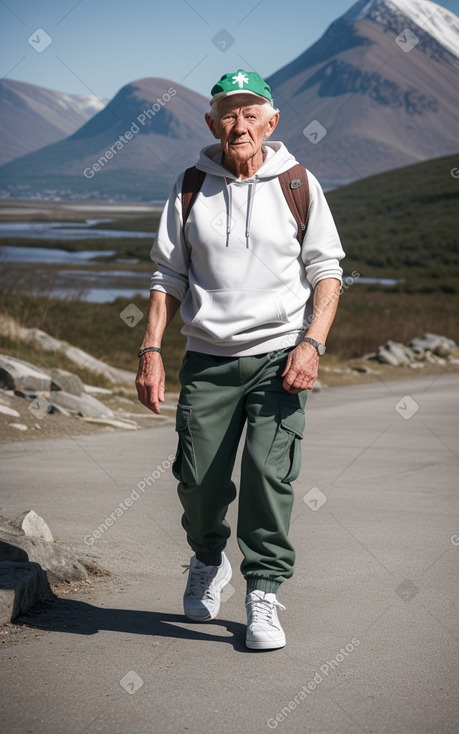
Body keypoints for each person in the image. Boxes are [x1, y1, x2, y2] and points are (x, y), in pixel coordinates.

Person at [136, 69, 345, 650]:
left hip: (280, 357)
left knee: (268, 476)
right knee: (197, 479)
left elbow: (327, 272)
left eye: (252, 113)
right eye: (229, 113)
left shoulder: (299, 183)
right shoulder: (189, 185)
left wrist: (312, 343)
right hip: (206, 358)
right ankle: (209, 559)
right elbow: (167, 275)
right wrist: (150, 349)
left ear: (271, 123)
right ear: (211, 123)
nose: (240, 124)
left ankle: (263, 590)